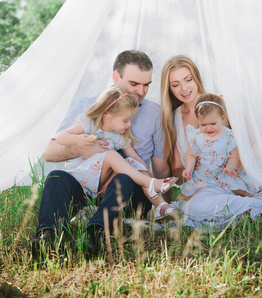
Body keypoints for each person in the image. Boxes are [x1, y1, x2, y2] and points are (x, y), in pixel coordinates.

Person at [30, 50, 175, 256]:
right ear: (116, 77)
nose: (142, 91)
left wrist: (163, 205)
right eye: (134, 84)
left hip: (127, 190)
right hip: (88, 182)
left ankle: (95, 234)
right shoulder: (89, 107)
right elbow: (50, 152)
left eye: (147, 85)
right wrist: (85, 147)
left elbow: (160, 165)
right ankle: (48, 236)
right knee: (56, 177)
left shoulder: (154, 112)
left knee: (125, 175)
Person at [160, 55, 262, 230]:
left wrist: (236, 166)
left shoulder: (220, 103)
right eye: (175, 84)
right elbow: (177, 168)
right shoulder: (174, 119)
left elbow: (257, 143)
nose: (184, 88)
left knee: (197, 209)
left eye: (188, 79)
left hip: (237, 177)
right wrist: (193, 176)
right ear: (169, 89)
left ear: (196, 77)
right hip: (206, 185)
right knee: (195, 206)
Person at [56, 85, 178, 218]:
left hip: (101, 182)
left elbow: (136, 158)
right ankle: (150, 184)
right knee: (112, 155)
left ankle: (162, 206)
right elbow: (60, 137)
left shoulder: (119, 137)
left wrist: (147, 174)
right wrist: (78, 140)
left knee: (134, 163)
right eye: (126, 120)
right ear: (108, 117)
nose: (129, 124)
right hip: (81, 177)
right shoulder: (89, 124)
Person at [181, 93, 257, 199]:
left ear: (222, 118)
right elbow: (191, 154)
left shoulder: (229, 136)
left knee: (235, 187)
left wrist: (230, 167)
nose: (208, 128)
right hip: (204, 175)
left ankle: (248, 196)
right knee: (189, 195)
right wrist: (188, 168)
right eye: (203, 125)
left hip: (223, 172)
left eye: (213, 124)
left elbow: (234, 155)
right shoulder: (197, 136)